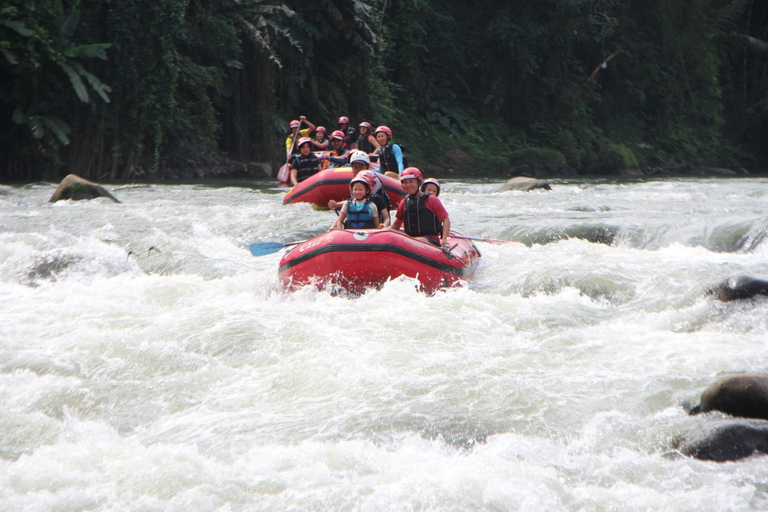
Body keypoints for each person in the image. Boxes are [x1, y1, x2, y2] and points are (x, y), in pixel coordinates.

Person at [389, 167, 451, 248]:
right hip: (410, 239)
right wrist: (383, 232)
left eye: (411, 181)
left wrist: (444, 240)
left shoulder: (432, 200)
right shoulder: (404, 202)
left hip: (430, 240)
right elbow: (396, 225)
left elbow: (446, 219)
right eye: (405, 182)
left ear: (418, 182)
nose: (408, 185)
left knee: (410, 241)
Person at [328, 151, 391, 226]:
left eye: (361, 166)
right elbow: (355, 201)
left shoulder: (373, 181)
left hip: (378, 215)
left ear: (367, 167)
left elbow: (364, 201)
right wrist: (336, 204)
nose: (358, 169)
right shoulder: (354, 183)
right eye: (355, 166)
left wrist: (383, 226)